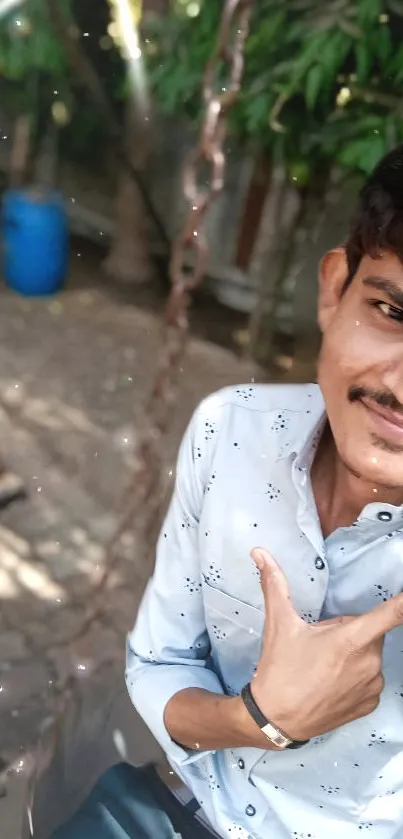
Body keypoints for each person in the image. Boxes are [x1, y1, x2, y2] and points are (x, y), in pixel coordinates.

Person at [126, 144, 403, 839]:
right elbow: (158, 662)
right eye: (391, 312)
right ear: (333, 287)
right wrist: (260, 719)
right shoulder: (232, 431)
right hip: (171, 803)